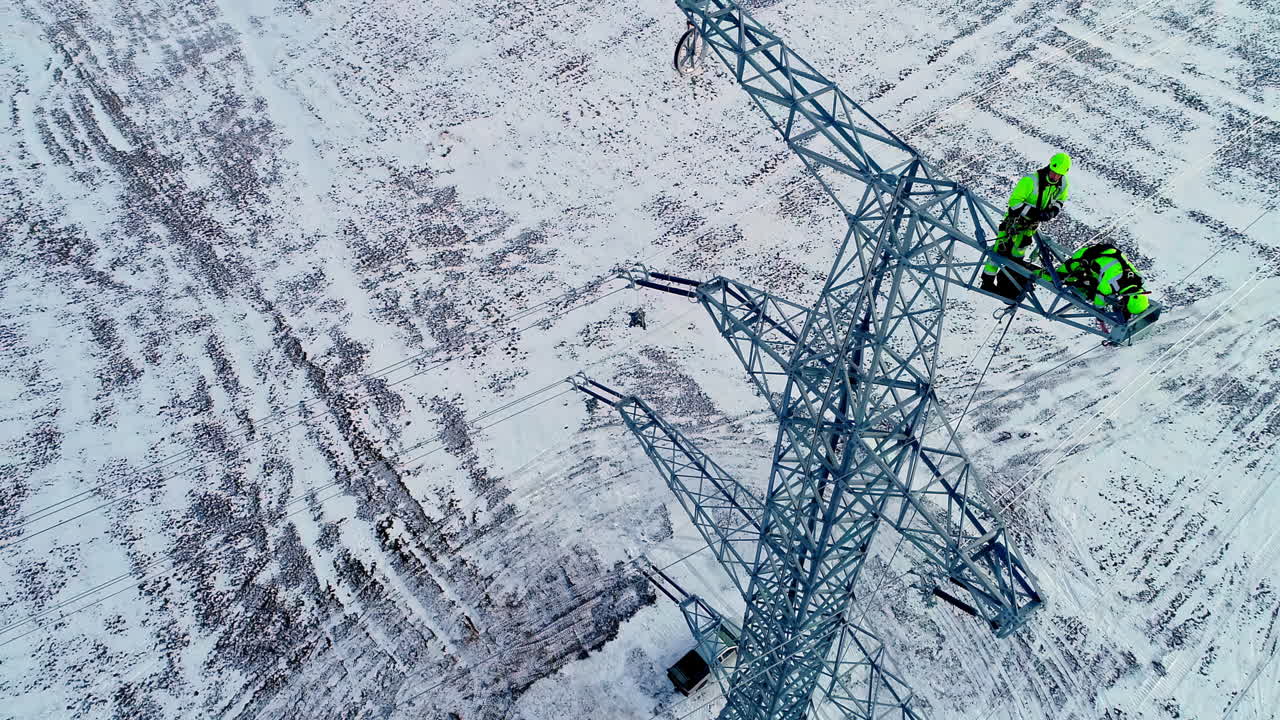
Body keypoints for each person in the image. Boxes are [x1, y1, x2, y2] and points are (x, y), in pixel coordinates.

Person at [981, 152, 1072, 298]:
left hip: (1030, 227)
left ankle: (1009, 279)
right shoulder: (1030, 181)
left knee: (1018, 253)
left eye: (1059, 175)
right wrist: (1035, 213)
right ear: (1050, 166)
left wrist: (1053, 211)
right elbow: (1015, 202)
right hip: (1014, 223)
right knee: (999, 252)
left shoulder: (1062, 183)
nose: (1056, 177)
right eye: (1054, 173)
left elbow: (1061, 199)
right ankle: (987, 282)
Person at [1050, 243, 1150, 318]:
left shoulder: (1139, 279)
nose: (1122, 304)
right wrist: (1101, 313)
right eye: (1124, 304)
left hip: (1104, 254)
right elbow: (1099, 301)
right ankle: (1037, 273)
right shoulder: (1112, 285)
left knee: (1089, 284)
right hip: (1085, 257)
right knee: (1057, 277)